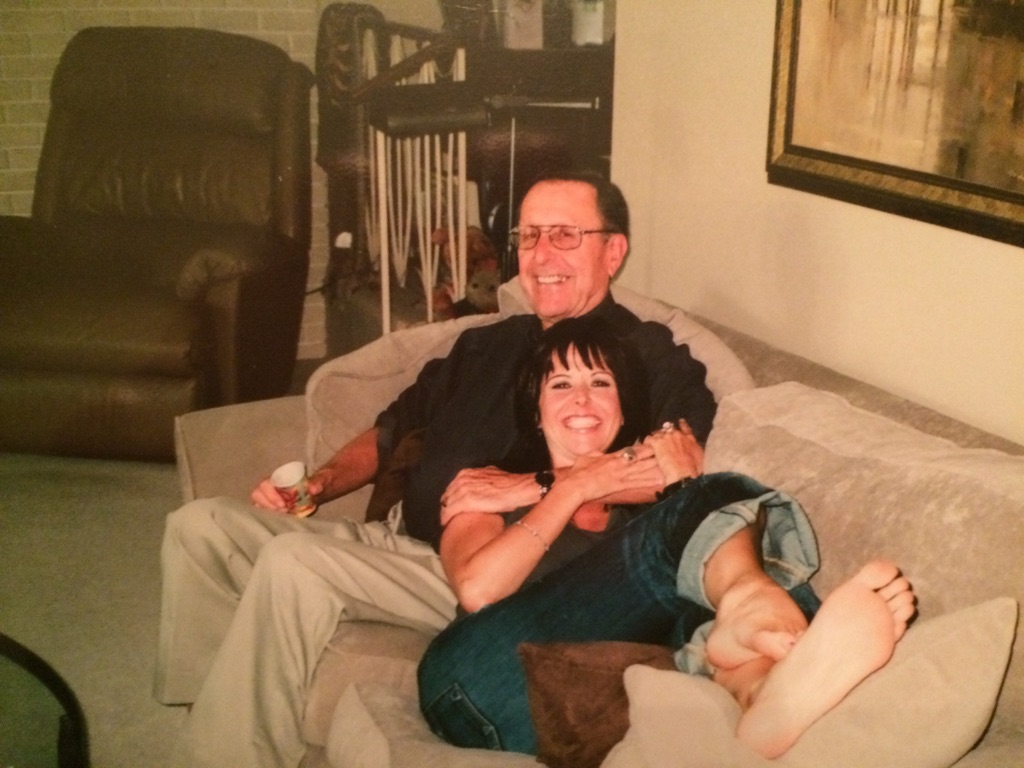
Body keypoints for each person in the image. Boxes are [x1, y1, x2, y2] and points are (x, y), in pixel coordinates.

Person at [158, 172, 719, 767]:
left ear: (614, 251)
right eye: (528, 237)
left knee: (293, 561)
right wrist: (320, 484)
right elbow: (392, 428)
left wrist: (538, 484)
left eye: (564, 235)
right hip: (396, 534)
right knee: (200, 527)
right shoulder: (490, 342)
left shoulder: (643, 353)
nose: (541, 255)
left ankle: (224, 759)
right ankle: (207, 709)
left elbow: (676, 459)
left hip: (484, 563)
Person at [417, 316, 917, 759]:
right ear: (535, 409)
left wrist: (674, 489)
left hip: (579, 713)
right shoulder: (488, 486)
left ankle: (763, 690)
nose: (582, 399)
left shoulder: (645, 517)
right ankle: (753, 607)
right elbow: (479, 589)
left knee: (713, 570)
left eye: (600, 382)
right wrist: (574, 485)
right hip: (477, 682)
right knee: (719, 497)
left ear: (623, 407)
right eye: (560, 384)